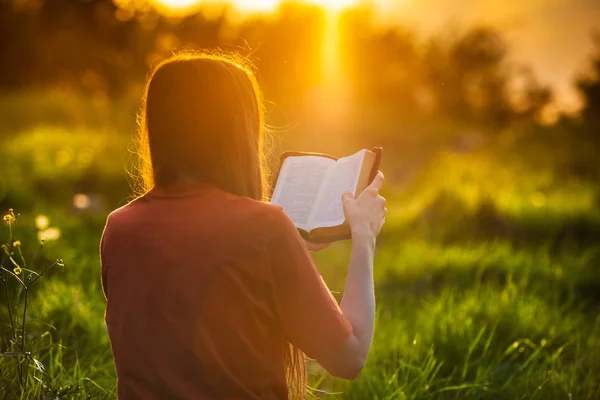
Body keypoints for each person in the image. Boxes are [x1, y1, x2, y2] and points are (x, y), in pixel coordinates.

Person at [99, 52, 387, 400]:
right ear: (237, 131)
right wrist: (365, 237)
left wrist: (281, 248)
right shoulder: (264, 229)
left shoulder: (119, 228)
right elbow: (349, 357)